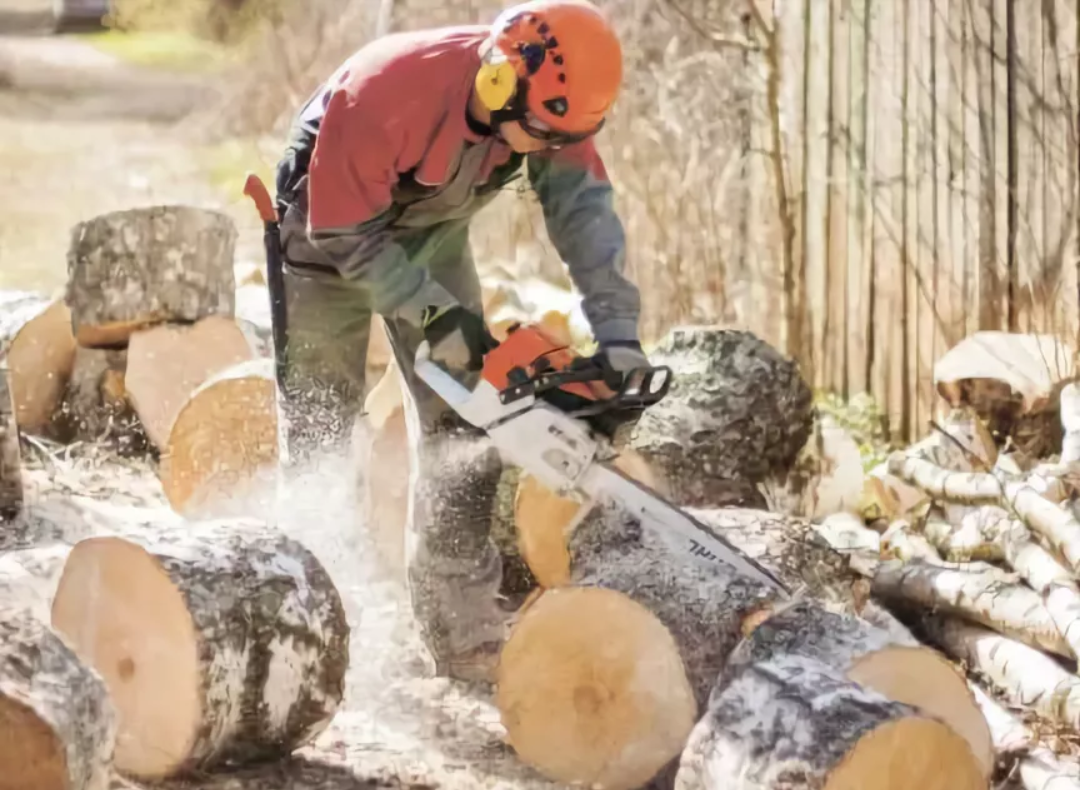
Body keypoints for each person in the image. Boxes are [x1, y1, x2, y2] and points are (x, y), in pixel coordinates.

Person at [272, 0, 649, 682]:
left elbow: (584, 212)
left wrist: (619, 331)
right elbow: (346, 233)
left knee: (467, 414)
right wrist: (429, 313)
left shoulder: (553, 106)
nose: (542, 149)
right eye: (537, 133)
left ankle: (458, 618)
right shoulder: (386, 92)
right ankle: (303, 606)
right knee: (320, 414)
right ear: (500, 81)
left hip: (431, 234)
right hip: (326, 234)